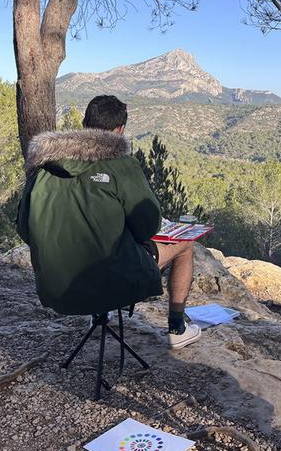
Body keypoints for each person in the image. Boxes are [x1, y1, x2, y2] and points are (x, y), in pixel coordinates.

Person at [16, 94, 201, 349]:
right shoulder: (122, 166)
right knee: (186, 245)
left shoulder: (43, 167)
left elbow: (25, 229)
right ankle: (177, 329)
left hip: (55, 288)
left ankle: (98, 314)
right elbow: (148, 227)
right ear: (121, 130)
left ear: (83, 124)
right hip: (112, 281)